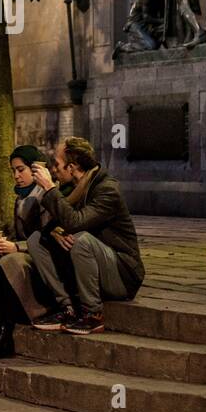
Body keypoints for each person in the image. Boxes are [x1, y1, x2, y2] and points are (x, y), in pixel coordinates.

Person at [27, 136, 144, 335]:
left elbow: (75, 222)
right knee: (36, 240)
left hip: (122, 274)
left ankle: (93, 314)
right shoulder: (75, 190)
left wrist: (48, 187)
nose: (53, 169)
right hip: (91, 267)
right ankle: (67, 308)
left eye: (57, 164)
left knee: (81, 240)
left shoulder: (107, 189)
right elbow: (53, 225)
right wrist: (55, 232)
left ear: (72, 167)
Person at [0, 144, 59, 358]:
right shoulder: (21, 197)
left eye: (21, 169)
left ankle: (3, 335)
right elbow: (19, 235)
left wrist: (15, 247)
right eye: (13, 171)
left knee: (6, 262)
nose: (16, 175)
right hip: (27, 252)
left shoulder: (46, 195)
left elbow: (48, 237)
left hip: (45, 259)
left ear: (35, 169)